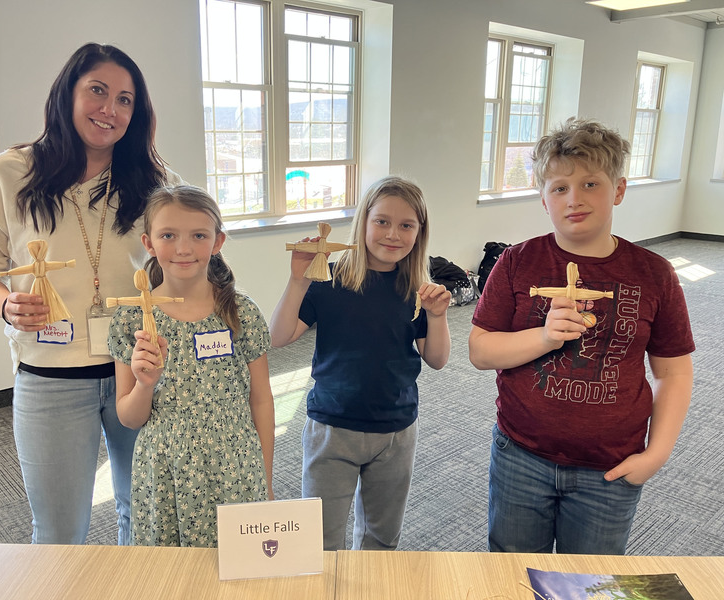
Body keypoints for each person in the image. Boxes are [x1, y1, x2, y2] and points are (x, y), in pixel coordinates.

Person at [0, 43, 185, 545]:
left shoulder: (153, 180)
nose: (110, 110)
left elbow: (191, 244)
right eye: (97, 91)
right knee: (60, 533)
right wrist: (5, 304)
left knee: (145, 514)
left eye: (125, 100)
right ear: (67, 94)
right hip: (50, 376)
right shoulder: (9, 175)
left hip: (141, 368)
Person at [468, 118, 695, 555]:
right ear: (543, 199)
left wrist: (657, 454)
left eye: (591, 184)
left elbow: (673, 371)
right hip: (521, 454)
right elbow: (480, 349)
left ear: (619, 190)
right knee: (511, 571)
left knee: (589, 582)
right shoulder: (517, 262)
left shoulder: (653, 274)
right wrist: (545, 337)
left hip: (610, 466)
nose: (575, 199)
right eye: (559, 188)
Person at [270, 175, 451, 551]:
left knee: (382, 540)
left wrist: (437, 317)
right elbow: (279, 337)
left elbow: (437, 359)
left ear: (420, 232)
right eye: (382, 221)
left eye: (406, 226)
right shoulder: (329, 281)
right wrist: (297, 280)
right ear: (364, 222)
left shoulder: (415, 287)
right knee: (319, 541)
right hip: (332, 427)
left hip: (396, 431)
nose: (393, 234)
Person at [109, 185, 274, 547]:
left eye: (198, 235)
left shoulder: (240, 312)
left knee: (235, 561)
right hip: (165, 467)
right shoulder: (131, 319)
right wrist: (145, 384)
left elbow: (261, 399)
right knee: (172, 571)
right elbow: (129, 417)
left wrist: (266, 478)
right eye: (168, 235)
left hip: (234, 462)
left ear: (217, 242)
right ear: (148, 243)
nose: (183, 248)